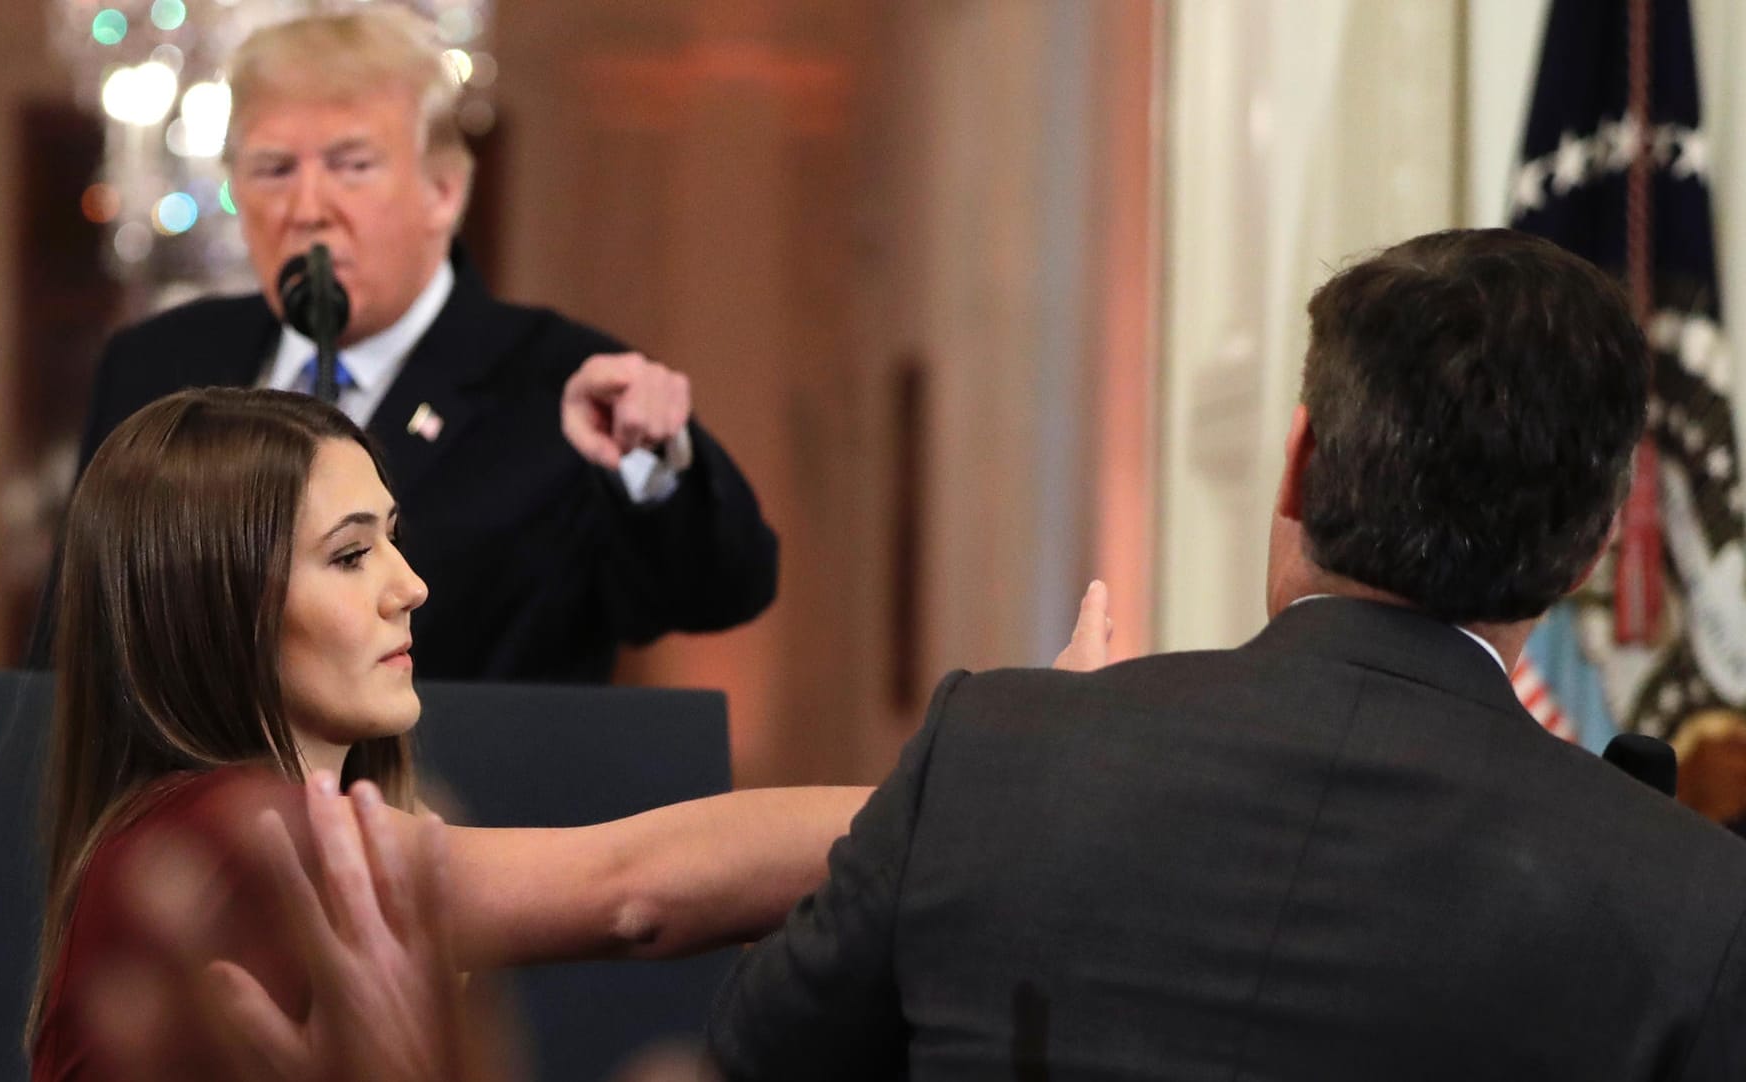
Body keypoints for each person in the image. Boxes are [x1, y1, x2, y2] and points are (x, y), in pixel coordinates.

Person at [707, 229, 1746, 1080]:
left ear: (1296, 463)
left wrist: (1053, 755)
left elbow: (759, 1056)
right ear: (1593, 547)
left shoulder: (990, 750)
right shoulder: (1694, 904)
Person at [25, 388, 847, 1081]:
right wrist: (947, 803)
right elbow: (632, 892)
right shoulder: (226, 841)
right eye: (350, 556)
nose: (411, 586)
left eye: (393, 539)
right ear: (213, 606)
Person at [48, 5, 776, 682]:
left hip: (468, 810)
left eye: (352, 165)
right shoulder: (158, 367)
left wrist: (653, 461)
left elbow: (717, 591)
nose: (307, 209)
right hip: (201, 811)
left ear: (443, 192)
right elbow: (73, 643)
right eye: (273, 169)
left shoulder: (558, 383)